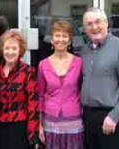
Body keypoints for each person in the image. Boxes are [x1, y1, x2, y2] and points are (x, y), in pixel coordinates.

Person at [80, 7, 119, 149]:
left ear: (106, 23)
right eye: (89, 24)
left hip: (110, 118)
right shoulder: (85, 51)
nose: (94, 27)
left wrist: (115, 116)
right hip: (88, 118)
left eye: (98, 22)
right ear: (85, 28)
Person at [38, 20, 84, 149]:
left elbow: (83, 90)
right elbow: (40, 95)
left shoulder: (79, 62)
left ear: (69, 40)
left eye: (64, 36)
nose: (61, 39)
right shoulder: (43, 64)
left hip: (74, 121)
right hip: (50, 121)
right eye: (57, 35)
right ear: (51, 40)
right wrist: (39, 124)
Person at [0, 30, 39, 149]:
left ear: (20, 50)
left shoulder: (28, 71)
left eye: (14, 48)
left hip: (20, 127)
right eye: (7, 48)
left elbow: (33, 104)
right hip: (0, 127)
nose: (10, 52)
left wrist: (33, 133)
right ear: (2, 49)